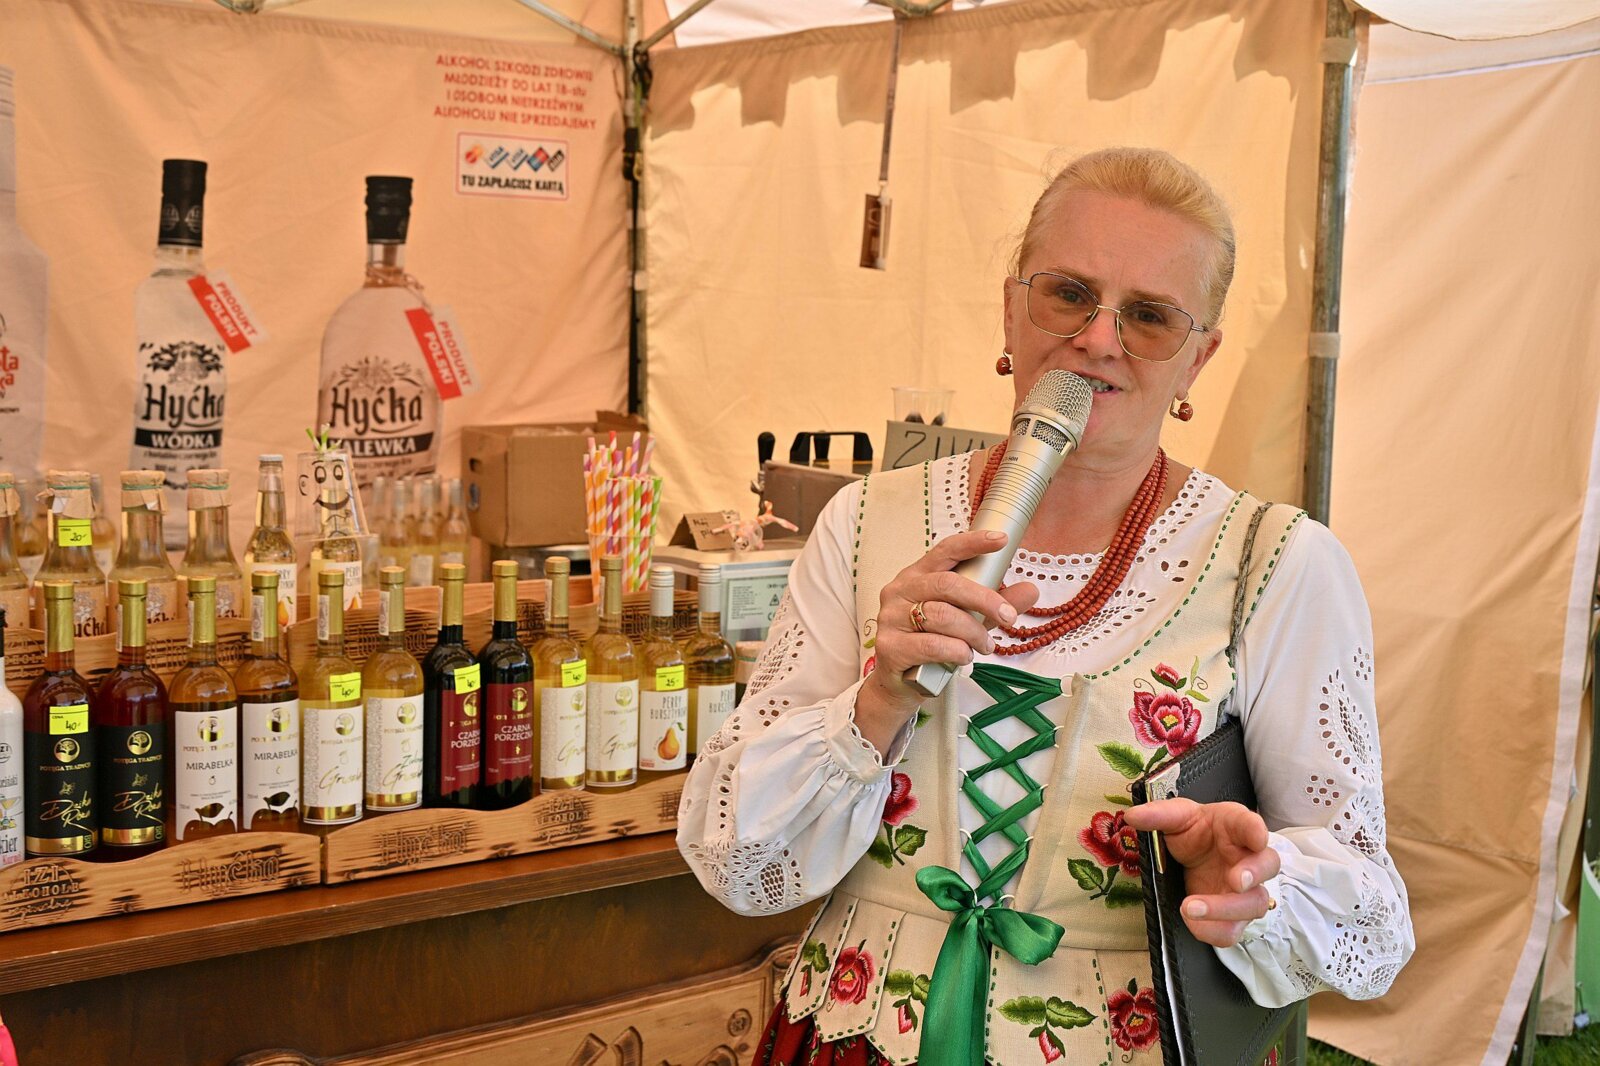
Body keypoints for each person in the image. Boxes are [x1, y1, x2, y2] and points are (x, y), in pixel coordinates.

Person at [678, 147, 1414, 1066]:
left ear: (1199, 358)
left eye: (1150, 316)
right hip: (859, 1037)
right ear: (1010, 310)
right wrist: (875, 705)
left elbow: (1372, 920)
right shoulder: (866, 522)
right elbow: (733, 858)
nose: (1099, 340)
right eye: (1069, 294)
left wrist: (1256, 881)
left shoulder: (1277, 563)